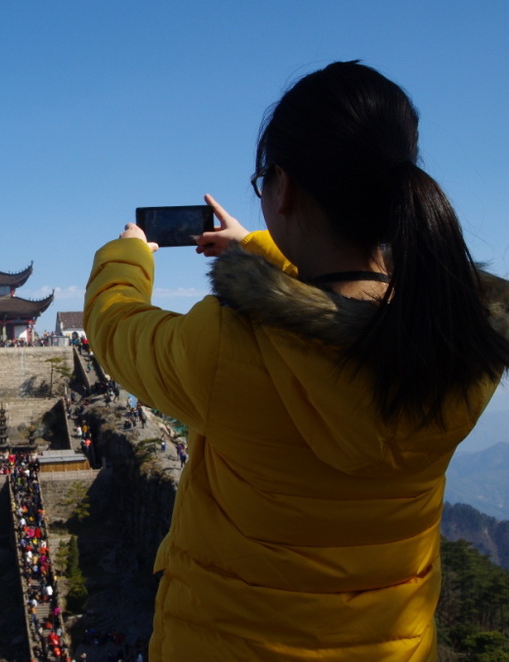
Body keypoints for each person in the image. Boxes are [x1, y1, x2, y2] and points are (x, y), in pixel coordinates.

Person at [84, 61, 509, 661]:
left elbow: (116, 331)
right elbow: (346, 311)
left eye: (265, 184)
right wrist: (262, 248)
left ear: (281, 188)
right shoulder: (460, 345)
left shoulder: (230, 344)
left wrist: (127, 256)